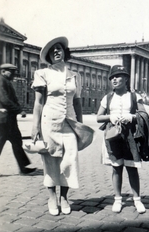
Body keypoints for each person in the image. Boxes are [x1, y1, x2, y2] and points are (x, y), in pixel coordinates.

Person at [31, 37, 84, 216]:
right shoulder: (42, 74)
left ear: (64, 52)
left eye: (59, 48)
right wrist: (35, 126)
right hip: (49, 122)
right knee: (51, 159)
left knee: (69, 160)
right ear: (48, 55)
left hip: (69, 122)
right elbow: (38, 103)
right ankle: (52, 197)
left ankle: (64, 197)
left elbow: (77, 103)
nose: (56, 51)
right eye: (52, 49)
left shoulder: (75, 75)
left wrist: (80, 126)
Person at [97, 65, 146, 214]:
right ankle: (117, 199)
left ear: (125, 78)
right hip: (113, 136)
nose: (114, 79)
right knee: (116, 168)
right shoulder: (107, 98)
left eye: (118, 76)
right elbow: (98, 117)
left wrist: (132, 116)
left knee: (132, 168)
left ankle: (137, 200)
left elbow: (143, 115)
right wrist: (110, 116)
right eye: (112, 77)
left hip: (131, 136)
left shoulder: (134, 96)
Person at [0, 63, 36, 174]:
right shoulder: (1, 81)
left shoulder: (6, 81)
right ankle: (23, 167)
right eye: (12, 71)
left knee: (17, 142)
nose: (14, 74)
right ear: (3, 71)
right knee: (1, 143)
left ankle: (23, 167)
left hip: (9, 119)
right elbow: (4, 99)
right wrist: (19, 110)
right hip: (3, 120)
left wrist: (18, 109)